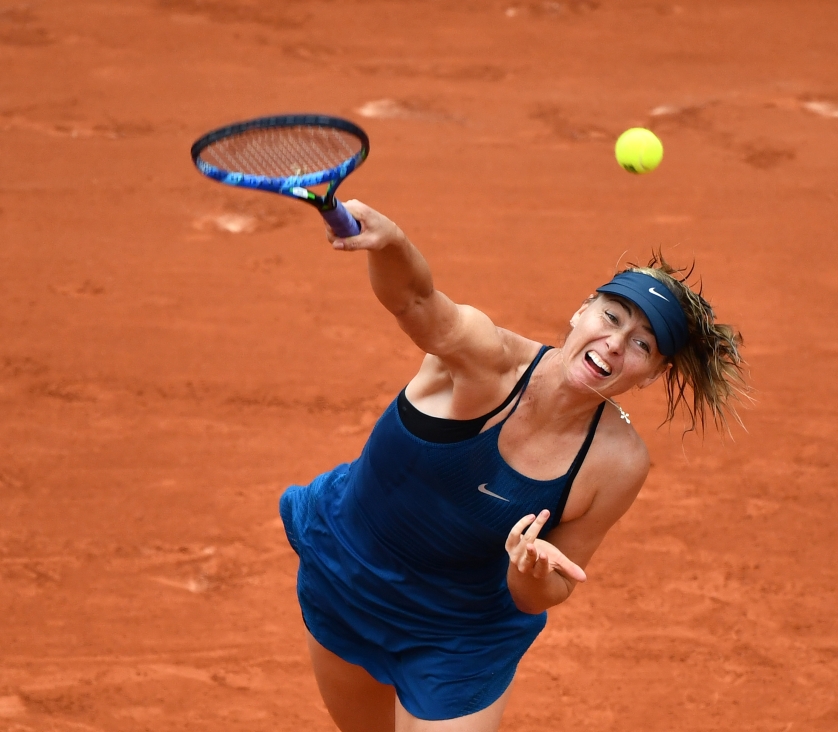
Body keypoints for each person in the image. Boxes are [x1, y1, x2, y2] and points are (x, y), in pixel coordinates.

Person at [279, 201, 747, 732]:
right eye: (612, 317)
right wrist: (392, 243)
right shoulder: (487, 358)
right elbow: (414, 299)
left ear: (650, 374)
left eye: (641, 344)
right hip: (348, 573)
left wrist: (531, 571)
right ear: (582, 310)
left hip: (461, 632)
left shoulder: (616, 463)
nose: (615, 344)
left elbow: (548, 591)